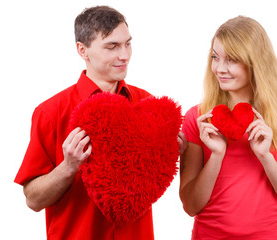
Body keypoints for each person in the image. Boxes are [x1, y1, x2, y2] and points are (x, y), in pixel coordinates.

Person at [14, 5, 186, 240]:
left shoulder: (147, 105)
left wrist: (167, 153)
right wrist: (68, 166)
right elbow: (33, 200)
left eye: (127, 43)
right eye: (112, 46)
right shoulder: (50, 112)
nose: (124, 55)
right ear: (82, 50)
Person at [179, 16, 277, 239]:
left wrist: (266, 157)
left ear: (255, 62)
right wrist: (217, 155)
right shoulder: (198, 118)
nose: (219, 68)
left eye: (231, 59)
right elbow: (191, 206)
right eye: (215, 57)